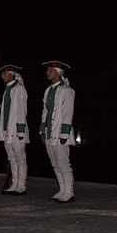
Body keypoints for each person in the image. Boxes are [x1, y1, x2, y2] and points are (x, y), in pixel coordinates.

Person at [40, 61, 76, 203]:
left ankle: (69, 192)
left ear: (57, 72)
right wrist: (42, 129)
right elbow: (45, 111)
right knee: (55, 163)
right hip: (50, 131)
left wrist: (64, 133)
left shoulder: (66, 90)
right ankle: (62, 190)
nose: (47, 72)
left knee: (63, 163)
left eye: (50, 70)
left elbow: (68, 112)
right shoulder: (48, 90)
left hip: (60, 132)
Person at [0, 64, 29, 195]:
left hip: (16, 130)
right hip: (7, 131)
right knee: (11, 158)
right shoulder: (7, 89)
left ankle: (21, 185)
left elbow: (21, 110)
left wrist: (20, 130)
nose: (2, 76)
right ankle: (14, 183)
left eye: (4, 73)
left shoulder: (18, 89)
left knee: (20, 157)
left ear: (11, 74)